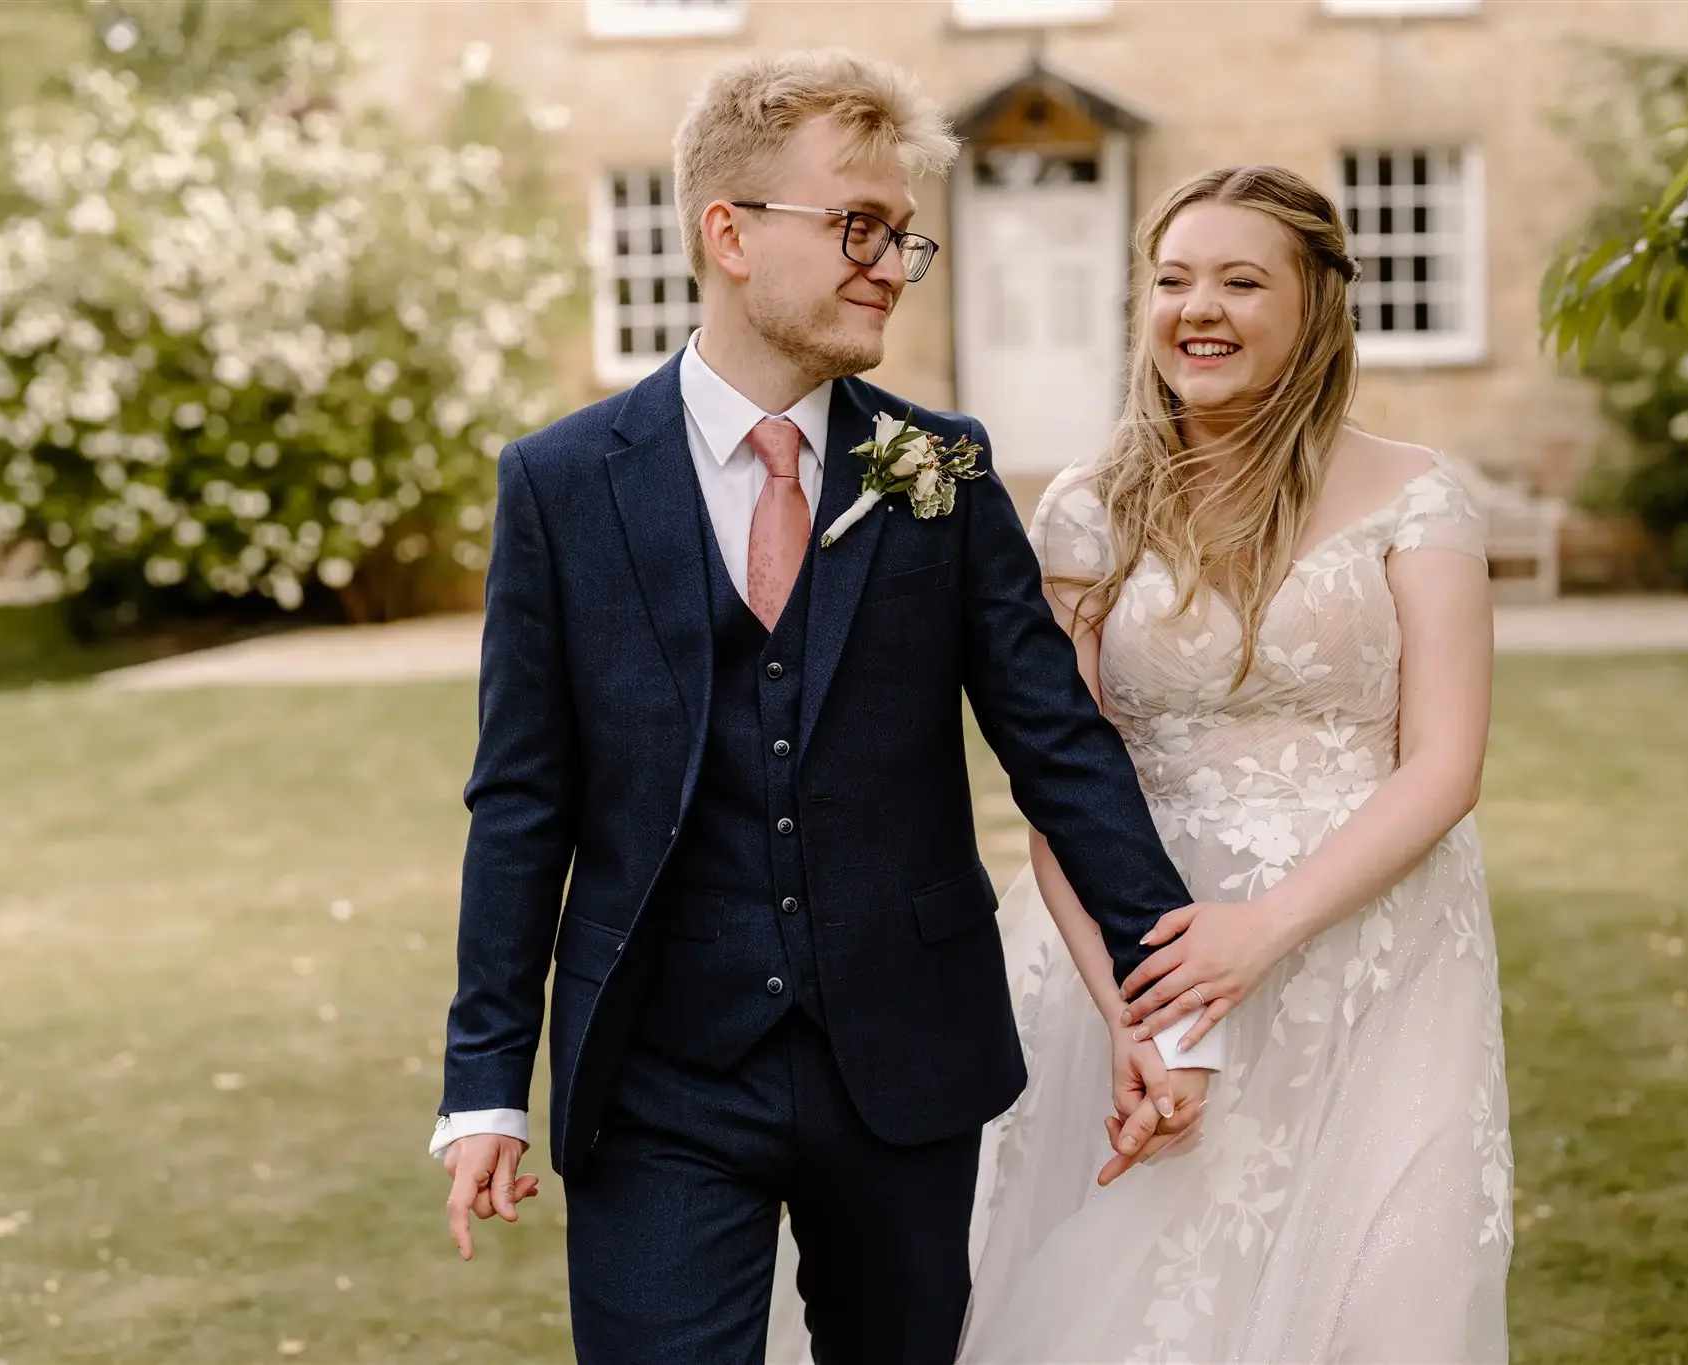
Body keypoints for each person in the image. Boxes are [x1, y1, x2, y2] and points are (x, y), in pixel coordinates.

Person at [428, 50, 1216, 1365]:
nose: (885, 263)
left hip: (905, 1056)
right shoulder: (561, 486)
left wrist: (1165, 999)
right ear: (728, 234)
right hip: (659, 1071)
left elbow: (1057, 748)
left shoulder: (939, 469)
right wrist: (481, 1086)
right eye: (857, 224)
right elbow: (523, 798)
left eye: (902, 238)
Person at [956, 164, 1513, 1362]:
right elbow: (1060, 774)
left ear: (1314, 304)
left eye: (1239, 281)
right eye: (1170, 280)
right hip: (1136, 949)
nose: (1195, 308)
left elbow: (1444, 764)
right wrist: (1135, 1013)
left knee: (1376, 1290)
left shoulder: (1416, 498)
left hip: (1375, 951)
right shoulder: (1087, 509)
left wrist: (1258, 933)